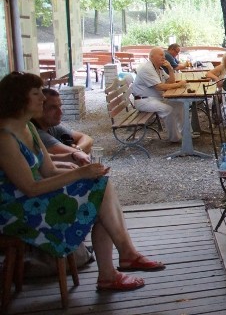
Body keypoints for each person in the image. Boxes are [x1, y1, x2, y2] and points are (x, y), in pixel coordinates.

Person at [0, 72, 165, 292]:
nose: (42, 98)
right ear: (18, 98)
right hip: (17, 212)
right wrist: (79, 173)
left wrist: (81, 169)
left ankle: (120, 262)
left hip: (34, 200)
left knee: (100, 185)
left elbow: (48, 169)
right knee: (98, 195)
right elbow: (30, 188)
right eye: (36, 93)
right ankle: (119, 262)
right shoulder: (4, 137)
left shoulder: (28, 127)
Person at [131, 47, 186, 142]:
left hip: (154, 98)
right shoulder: (147, 68)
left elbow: (170, 81)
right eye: (160, 55)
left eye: (164, 55)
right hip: (143, 100)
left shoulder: (158, 68)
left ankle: (185, 133)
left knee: (179, 103)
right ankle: (175, 138)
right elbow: (160, 87)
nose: (163, 57)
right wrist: (179, 84)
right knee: (168, 109)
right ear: (151, 57)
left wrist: (170, 68)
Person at [32, 88, 93, 166]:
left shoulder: (51, 126)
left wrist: (78, 148)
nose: (60, 112)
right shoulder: (36, 132)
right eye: (53, 108)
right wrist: (77, 151)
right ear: (39, 109)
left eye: (60, 106)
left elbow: (87, 138)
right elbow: (73, 155)